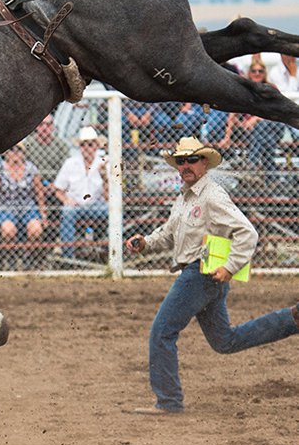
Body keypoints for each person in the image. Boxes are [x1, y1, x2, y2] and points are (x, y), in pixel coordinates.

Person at [125, 136, 299, 415]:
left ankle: (168, 401)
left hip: (200, 273)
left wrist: (230, 266)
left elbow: (248, 232)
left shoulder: (212, 195)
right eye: (181, 161)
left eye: (191, 160)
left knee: (161, 332)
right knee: (224, 341)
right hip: (205, 274)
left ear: (204, 162)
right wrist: (146, 242)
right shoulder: (187, 196)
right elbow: (169, 232)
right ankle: (290, 319)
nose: (185, 166)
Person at [53, 126, 108, 260]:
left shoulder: (106, 162)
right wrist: (66, 200)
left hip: (97, 205)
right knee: (67, 211)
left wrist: (104, 176)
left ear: (96, 146)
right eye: (83, 145)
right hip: (76, 205)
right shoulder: (70, 163)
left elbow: (110, 196)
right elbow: (58, 190)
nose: (87, 148)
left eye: (90, 144)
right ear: (80, 147)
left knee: (111, 210)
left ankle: (111, 252)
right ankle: (68, 257)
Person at [220, 58, 284, 173]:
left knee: (261, 126)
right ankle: (271, 177)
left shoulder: (271, 88)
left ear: (265, 73)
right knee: (266, 141)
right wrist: (227, 137)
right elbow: (232, 113)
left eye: (260, 71)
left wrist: (255, 119)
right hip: (254, 131)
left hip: (274, 125)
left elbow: (275, 111)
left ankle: (252, 164)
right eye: (254, 71)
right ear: (249, 73)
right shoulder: (245, 90)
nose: (257, 74)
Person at [0, 144, 46, 268]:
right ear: (6, 153)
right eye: (12, 150)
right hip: (6, 208)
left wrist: (43, 215)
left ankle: (30, 258)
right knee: (8, 230)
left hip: (28, 208)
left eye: (18, 150)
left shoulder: (31, 169)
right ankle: (11, 258)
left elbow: (39, 193)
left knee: (35, 229)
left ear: (23, 153)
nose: (15, 153)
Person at [21, 114, 70, 191]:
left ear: (52, 127)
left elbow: (65, 169)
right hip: (33, 186)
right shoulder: (28, 145)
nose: (44, 128)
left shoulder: (61, 146)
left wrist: (53, 185)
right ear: (36, 126)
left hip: (57, 185)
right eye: (41, 124)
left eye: (48, 124)